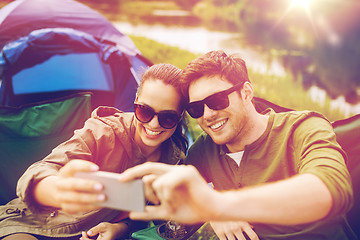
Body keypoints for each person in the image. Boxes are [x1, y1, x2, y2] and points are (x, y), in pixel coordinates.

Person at [118, 50, 356, 240]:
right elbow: (163, 196)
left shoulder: (304, 127)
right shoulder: (205, 149)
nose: (208, 115)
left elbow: (330, 189)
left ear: (246, 92)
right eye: (196, 109)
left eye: (217, 100)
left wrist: (219, 207)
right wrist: (118, 224)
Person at [0, 63, 188, 240]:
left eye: (168, 118)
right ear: (135, 102)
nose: (153, 124)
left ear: (179, 117)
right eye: (145, 111)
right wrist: (57, 190)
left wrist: (118, 228)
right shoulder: (102, 132)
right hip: (28, 225)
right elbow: (38, 171)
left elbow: (143, 212)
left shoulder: (173, 160)